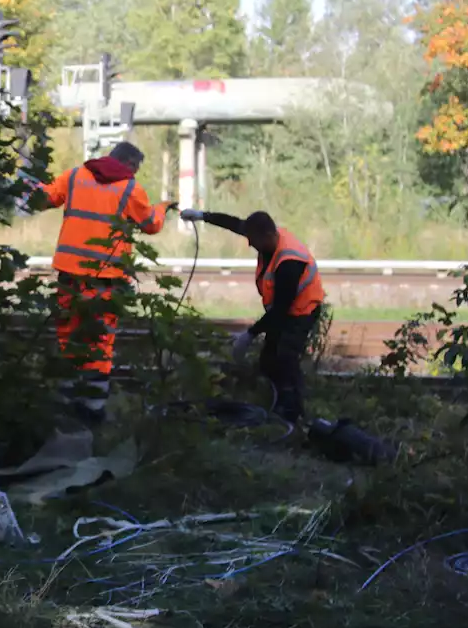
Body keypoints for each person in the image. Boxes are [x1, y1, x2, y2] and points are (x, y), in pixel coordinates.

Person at [33, 141, 174, 416]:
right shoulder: (130, 188)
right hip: (106, 278)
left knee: (68, 333)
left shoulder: (74, 176)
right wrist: (163, 207)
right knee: (99, 339)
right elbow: (151, 225)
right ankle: (93, 409)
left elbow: (43, 199)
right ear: (131, 165)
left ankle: (65, 405)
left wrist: (30, 180)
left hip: (70, 273)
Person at [180, 208, 325, 423]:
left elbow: (281, 310)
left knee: (286, 356)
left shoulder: (290, 262)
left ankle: (295, 414)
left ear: (267, 236)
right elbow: (232, 223)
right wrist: (201, 216)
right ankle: (276, 405)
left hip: (302, 311)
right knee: (268, 360)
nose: (249, 244)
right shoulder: (265, 234)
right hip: (282, 311)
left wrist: (250, 334)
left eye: (253, 240)